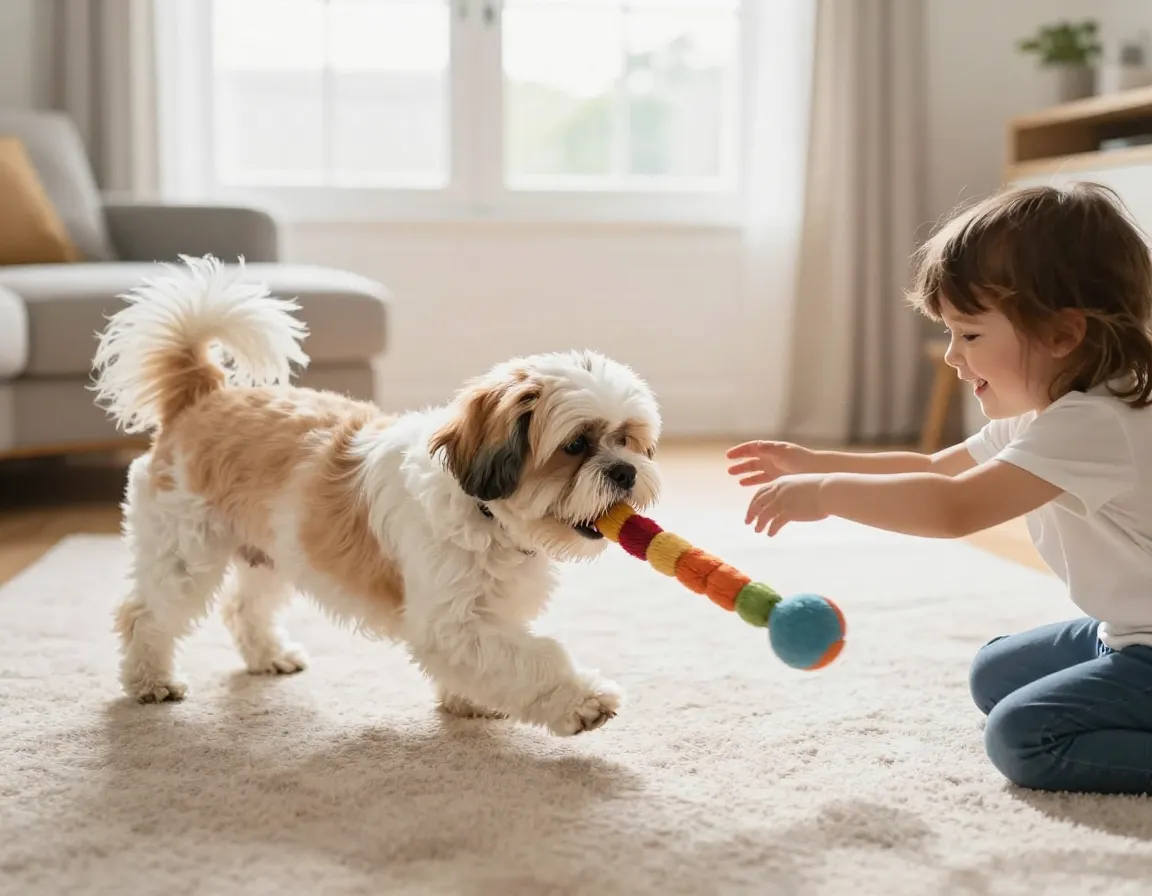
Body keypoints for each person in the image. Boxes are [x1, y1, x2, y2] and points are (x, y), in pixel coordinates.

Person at [727, 181, 1152, 795]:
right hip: (1128, 628)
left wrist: (826, 494)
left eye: (971, 336)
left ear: (1063, 335)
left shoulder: (1095, 422)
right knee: (993, 673)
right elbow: (937, 470)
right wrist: (813, 459)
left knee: (1022, 736)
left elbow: (955, 509)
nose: (952, 357)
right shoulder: (1057, 408)